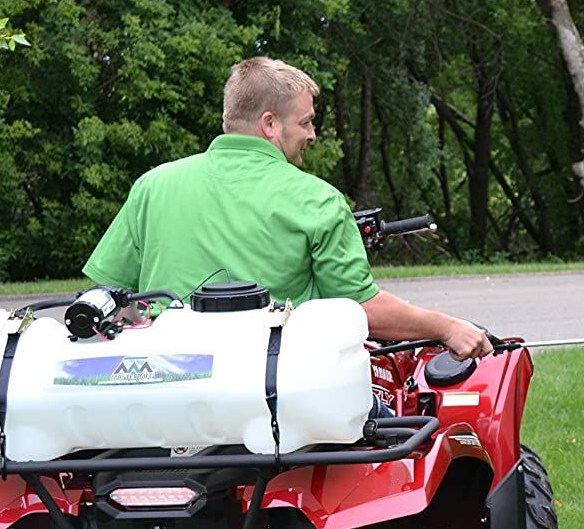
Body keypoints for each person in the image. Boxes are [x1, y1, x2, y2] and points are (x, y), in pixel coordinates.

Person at [82, 57, 491, 361]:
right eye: (307, 122)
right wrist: (448, 326)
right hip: (272, 404)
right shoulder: (318, 200)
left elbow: (107, 295)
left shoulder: (153, 186)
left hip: (163, 395)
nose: (312, 134)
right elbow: (362, 310)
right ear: (270, 124)